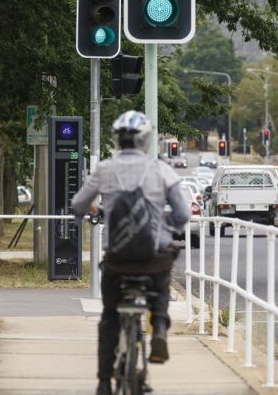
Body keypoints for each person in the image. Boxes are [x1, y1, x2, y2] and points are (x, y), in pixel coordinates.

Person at [71, 111, 190, 395]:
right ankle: (159, 326)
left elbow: (77, 206)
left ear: (117, 139)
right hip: (153, 259)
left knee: (110, 317)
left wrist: (96, 212)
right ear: (145, 140)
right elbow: (183, 213)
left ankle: (103, 382)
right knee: (162, 280)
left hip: (118, 261)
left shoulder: (104, 169)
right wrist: (166, 226)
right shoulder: (160, 169)